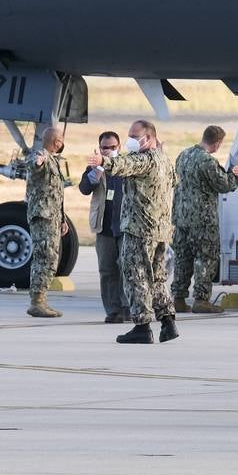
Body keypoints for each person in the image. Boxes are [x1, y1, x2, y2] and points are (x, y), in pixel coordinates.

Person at [89, 120, 177, 345]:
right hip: (160, 230)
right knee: (157, 277)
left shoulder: (145, 160)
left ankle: (142, 326)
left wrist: (103, 161)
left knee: (135, 275)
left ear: (148, 138)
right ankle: (168, 323)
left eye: (134, 136)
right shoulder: (165, 160)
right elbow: (175, 181)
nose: (130, 140)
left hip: (139, 229)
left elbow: (124, 166)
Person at [171, 126, 238, 315]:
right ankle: (201, 299)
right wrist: (235, 172)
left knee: (183, 258)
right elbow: (224, 185)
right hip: (202, 220)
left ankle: (178, 297)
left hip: (181, 218)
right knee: (205, 258)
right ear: (217, 143)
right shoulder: (207, 161)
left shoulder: (183, 155)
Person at [79, 131, 128, 323]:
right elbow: (84, 189)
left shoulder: (126, 167)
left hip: (125, 226)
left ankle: (128, 307)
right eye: (104, 148)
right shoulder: (94, 168)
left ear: (119, 147)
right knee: (107, 270)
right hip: (104, 226)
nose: (108, 151)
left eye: (112, 148)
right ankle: (113, 310)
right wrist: (97, 171)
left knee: (127, 268)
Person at [24, 126, 70, 319]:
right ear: (56, 142)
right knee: (45, 257)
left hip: (52, 217)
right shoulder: (40, 155)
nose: (62, 143)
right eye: (61, 140)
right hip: (43, 217)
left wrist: (62, 218)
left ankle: (41, 299)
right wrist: (38, 163)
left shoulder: (53, 160)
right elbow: (34, 166)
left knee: (50, 258)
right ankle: (37, 302)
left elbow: (55, 194)